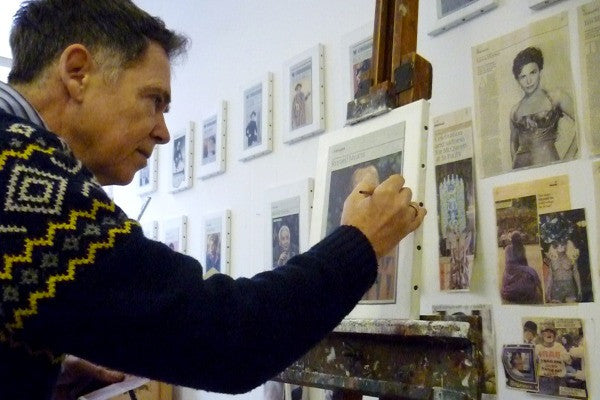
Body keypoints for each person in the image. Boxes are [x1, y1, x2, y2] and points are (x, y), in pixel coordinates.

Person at [0, 1, 427, 398]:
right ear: (77, 72)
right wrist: (361, 241)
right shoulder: (24, 176)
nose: (163, 131)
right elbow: (228, 338)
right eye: (154, 100)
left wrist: (49, 372)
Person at [509, 46, 576, 169]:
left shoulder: (556, 97)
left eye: (532, 73)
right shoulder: (515, 110)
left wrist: (568, 159)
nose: (529, 81)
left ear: (540, 71)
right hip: (521, 172)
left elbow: (583, 123)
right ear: (518, 80)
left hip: (551, 167)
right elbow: (513, 143)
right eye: (523, 76)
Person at [540, 213, 582, 303]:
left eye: (563, 243)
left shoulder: (572, 257)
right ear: (554, 245)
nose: (560, 246)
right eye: (557, 244)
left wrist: (579, 289)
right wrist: (547, 291)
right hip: (555, 290)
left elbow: (576, 273)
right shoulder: (552, 258)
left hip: (570, 288)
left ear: (567, 243)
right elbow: (550, 276)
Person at [500, 231, 543, 304]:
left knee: (531, 273)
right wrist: (523, 268)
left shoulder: (522, 248)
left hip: (521, 269)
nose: (518, 240)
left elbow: (524, 262)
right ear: (512, 239)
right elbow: (509, 264)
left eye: (519, 238)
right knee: (532, 271)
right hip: (511, 271)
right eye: (516, 238)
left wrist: (526, 271)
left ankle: (539, 291)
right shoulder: (508, 248)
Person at [535, 324, 572, 395]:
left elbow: (569, 361)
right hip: (543, 381)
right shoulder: (537, 348)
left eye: (551, 332)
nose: (549, 334)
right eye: (546, 331)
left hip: (559, 381)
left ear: (554, 335)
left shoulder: (560, 346)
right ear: (542, 335)